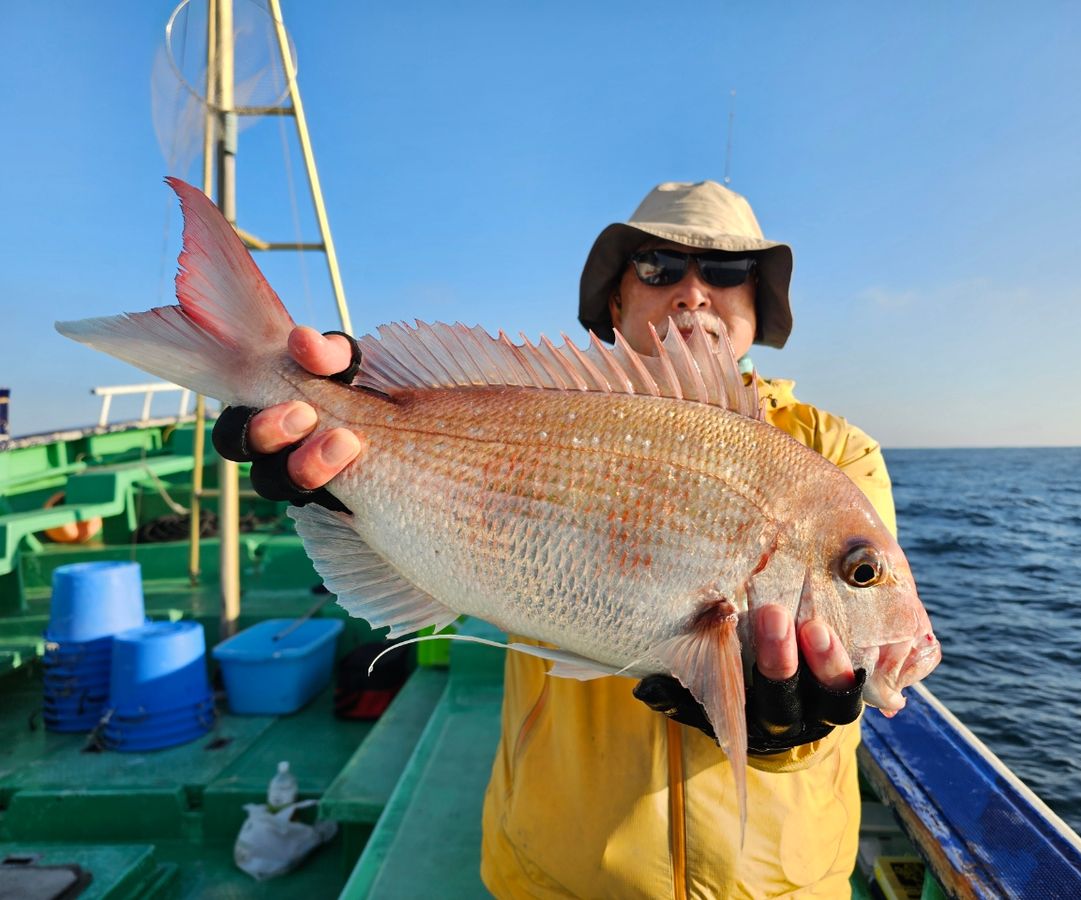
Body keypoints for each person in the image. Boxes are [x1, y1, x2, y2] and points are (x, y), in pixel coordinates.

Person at [213, 181, 897, 898]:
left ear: (758, 300)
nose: (694, 291)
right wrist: (349, 420)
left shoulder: (833, 454)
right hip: (555, 875)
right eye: (659, 266)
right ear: (615, 303)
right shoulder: (544, 404)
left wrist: (785, 732)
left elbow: (850, 643)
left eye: (728, 271)